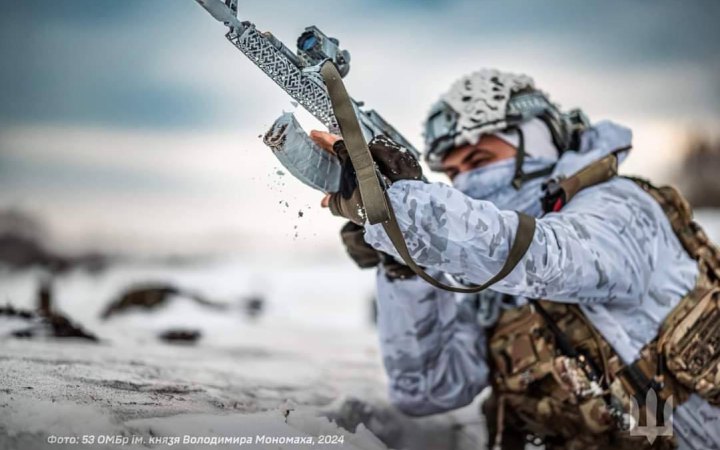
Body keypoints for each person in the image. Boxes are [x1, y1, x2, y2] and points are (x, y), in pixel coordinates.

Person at [310, 69, 720, 449]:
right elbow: (429, 389)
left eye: (480, 160)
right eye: (454, 174)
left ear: (537, 143)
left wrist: (408, 214)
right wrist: (404, 267)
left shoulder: (620, 207)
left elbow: (547, 258)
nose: (467, 182)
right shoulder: (485, 270)